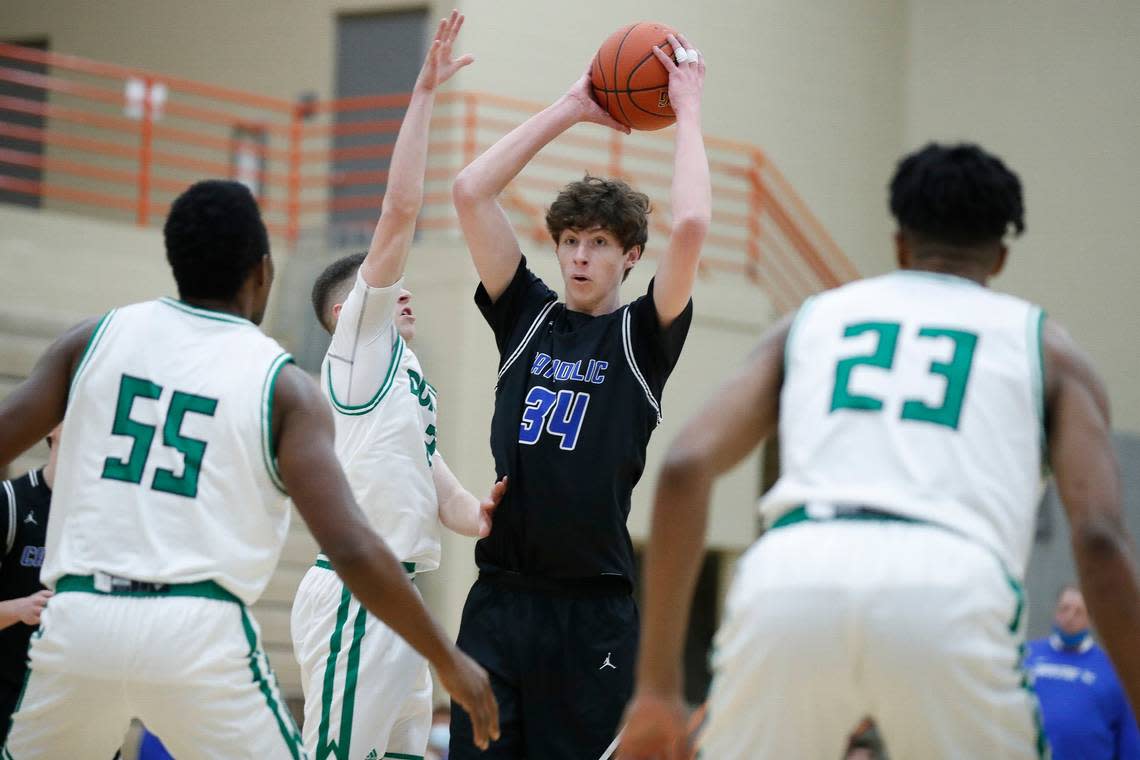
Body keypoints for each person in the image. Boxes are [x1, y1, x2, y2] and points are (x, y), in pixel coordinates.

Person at [620, 142, 1140, 759]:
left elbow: (683, 469)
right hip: (951, 585)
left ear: (899, 243)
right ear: (1000, 256)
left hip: (792, 575)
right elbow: (1101, 539)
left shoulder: (808, 323)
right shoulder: (1051, 351)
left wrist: (656, 687)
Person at [0, 178, 498, 757]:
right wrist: (448, 657)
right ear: (262, 273)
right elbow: (354, 548)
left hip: (82, 615)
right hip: (195, 623)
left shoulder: (91, 339)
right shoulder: (280, 379)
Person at [449, 32, 709, 760]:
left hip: (592, 614)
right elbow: (470, 190)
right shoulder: (526, 316)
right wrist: (572, 106)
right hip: (499, 602)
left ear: (630, 256)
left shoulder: (641, 336)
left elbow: (690, 225)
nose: (580, 256)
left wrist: (686, 111)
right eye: (569, 241)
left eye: (597, 243)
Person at [291, 12, 505, 760]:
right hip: (358, 598)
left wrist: (483, 515)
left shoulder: (405, 381)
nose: (401, 290)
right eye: (383, 287)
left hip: (401, 601)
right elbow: (400, 210)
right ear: (348, 313)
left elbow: (442, 492)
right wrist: (423, 95)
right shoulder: (356, 348)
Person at [1026, 585, 1140, 759]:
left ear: (1091, 618)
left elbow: (1128, 737)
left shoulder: (1112, 669)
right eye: (1065, 609)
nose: (1070, 617)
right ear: (1056, 612)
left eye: (1079, 611)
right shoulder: (1027, 655)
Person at [0, 426, 58, 744]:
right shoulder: (10, 502)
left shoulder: (113, 517)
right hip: (8, 703)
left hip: (76, 703)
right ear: (54, 427)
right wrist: (20, 608)